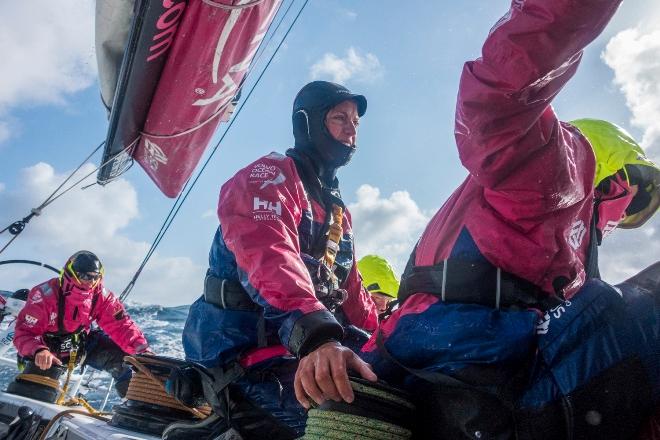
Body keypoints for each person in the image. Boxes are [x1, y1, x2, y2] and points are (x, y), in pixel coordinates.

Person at [295, 1, 660, 438]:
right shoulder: (551, 165)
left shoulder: (525, 217)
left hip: (428, 366)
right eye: (629, 199)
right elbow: (495, 104)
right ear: (611, 174)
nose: (620, 219)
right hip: (470, 382)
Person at [181, 81, 379, 438]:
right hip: (244, 357)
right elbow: (271, 259)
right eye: (339, 118)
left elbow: (350, 293)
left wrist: (387, 340)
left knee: (400, 394)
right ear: (308, 124)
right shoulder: (266, 178)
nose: (352, 128)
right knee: (350, 425)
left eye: (356, 122)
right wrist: (317, 337)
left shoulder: (337, 214)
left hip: (303, 353)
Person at [11, 250, 150, 400]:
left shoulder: (102, 297)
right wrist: (39, 351)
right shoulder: (44, 295)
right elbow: (24, 332)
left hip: (80, 345)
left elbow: (122, 326)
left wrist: (142, 351)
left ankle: (136, 405)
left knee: (127, 363)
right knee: (36, 396)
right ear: (71, 274)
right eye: (84, 276)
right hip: (44, 350)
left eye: (94, 277)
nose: (90, 281)